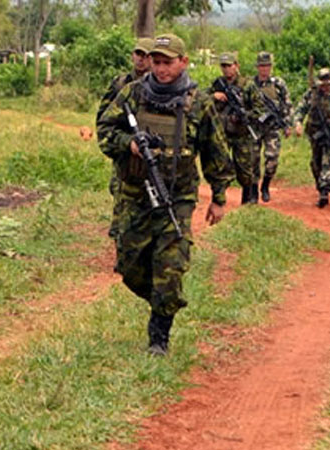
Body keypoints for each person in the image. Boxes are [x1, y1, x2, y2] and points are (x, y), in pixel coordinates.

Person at [97, 34, 232, 356]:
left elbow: (216, 151)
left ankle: (160, 334)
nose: (160, 69)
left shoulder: (199, 102)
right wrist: (127, 144)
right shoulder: (132, 93)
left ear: (183, 62)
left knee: (170, 268)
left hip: (177, 198)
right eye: (156, 62)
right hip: (134, 195)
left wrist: (219, 196)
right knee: (129, 266)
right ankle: (159, 298)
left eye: (167, 62)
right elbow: (104, 131)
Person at [97, 37, 153, 245]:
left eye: (146, 56)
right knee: (120, 188)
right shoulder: (121, 83)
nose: (141, 60)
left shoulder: (158, 84)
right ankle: (121, 235)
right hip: (125, 148)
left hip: (150, 146)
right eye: (138, 54)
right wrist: (120, 141)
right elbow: (104, 116)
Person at [209, 52, 261, 204]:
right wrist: (214, 96)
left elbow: (259, 109)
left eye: (229, 66)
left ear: (236, 66)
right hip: (223, 133)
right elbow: (202, 97)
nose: (226, 69)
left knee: (244, 170)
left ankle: (249, 200)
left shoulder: (247, 85)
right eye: (223, 66)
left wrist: (244, 116)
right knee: (220, 166)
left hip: (242, 134)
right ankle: (218, 199)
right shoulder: (218, 83)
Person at [293, 67, 330, 207]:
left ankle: (324, 191)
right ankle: (321, 186)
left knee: (327, 162)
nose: (325, 87)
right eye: (323, 84)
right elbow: (301, 109)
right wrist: (298, 123)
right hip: (315, 134)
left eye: (328, 84)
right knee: (315, 164)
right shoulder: (312, 94)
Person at [249, 51, 293, 203]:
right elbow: (244, 104)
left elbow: (287, 104)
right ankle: (253, 191)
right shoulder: (251, 85)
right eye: (262, 66)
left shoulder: (278, 84)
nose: (265, 69)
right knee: (252, 161)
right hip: (254, 128)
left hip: (272, 128)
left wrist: (287, 124)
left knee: (272, 160)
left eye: (267, 66)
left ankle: (265, 186)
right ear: (257, 67)